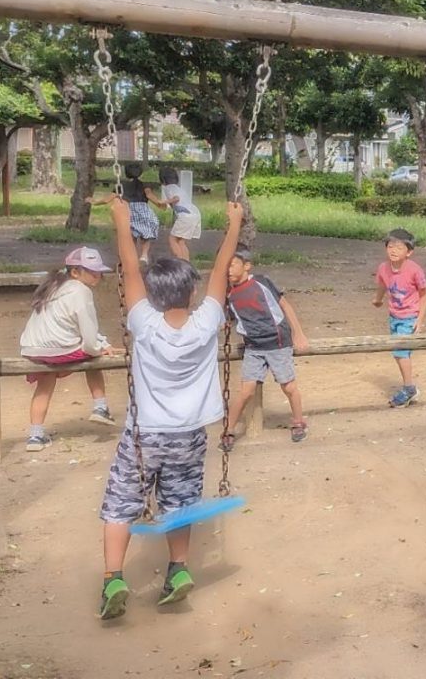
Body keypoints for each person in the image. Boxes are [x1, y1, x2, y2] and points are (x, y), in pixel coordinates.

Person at [97, 196, 244, 621]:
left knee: (120, 505)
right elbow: (221, 268)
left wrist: (122, 222)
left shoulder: (143, 322)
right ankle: (178, 571)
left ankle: (113, 578)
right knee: (180, 503)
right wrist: (233, 224)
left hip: (145, 436)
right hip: (189, 434)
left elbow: (129, 265)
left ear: (150, 295)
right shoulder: (206, 323)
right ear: (192, 291)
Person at [18, 247, 123, 450]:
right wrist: (100, 348)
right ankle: (100, 407)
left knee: (45, 382)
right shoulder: (81, 291)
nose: (98, 276)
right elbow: (89, 337)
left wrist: (100, 343)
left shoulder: (54, 287)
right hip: (59, 349)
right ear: (75, 272)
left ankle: (35, 436)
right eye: (92, 271)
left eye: (98, 271)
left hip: (33, 348)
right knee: (94, 360)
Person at [220, 248, 312, 449]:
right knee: (246, 391)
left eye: (233, 265)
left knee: (288, 386)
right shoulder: (229, 293)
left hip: (277, 343)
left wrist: (298, 333)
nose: (228, 270)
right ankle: (228, 429)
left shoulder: (261, 283)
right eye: (226, 265)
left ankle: (298, 422)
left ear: (246, 266)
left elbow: (285, 306)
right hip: (253, 347)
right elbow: (230, 318)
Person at [373, 228, 426, 408]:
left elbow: (424, 294)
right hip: (394, 315)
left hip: (409, 316)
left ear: (409, 252)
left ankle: (409, 388)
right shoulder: (383, 268)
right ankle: (408, 386)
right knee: (399, 353)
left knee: (400, 352)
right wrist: (378, 299)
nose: (393, 250)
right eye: (390, 246)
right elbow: (382, 284)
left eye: (398, 247)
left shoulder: (415, 270)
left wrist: (419, 320)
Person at [90, 163, 164, 265]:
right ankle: (144, 255)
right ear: (140, 173)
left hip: (127, 210)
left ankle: (130, 257)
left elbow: (107, 200)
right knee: (147, 233)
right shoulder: (144, 185)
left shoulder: (121, 185)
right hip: (143, 210)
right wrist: (159, 203)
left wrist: (94, 202)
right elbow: (149, 195)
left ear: (126, 173)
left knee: (130, 235)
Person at [156, 166, 202, 261]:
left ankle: (180, 262)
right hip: (194, 213)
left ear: (162, 179)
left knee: (172, 239)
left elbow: (176, 199)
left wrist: (162, 202)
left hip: (185, 215)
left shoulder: (168, 188)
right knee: (181, 241)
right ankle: (186, 262)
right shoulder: (178, 188)